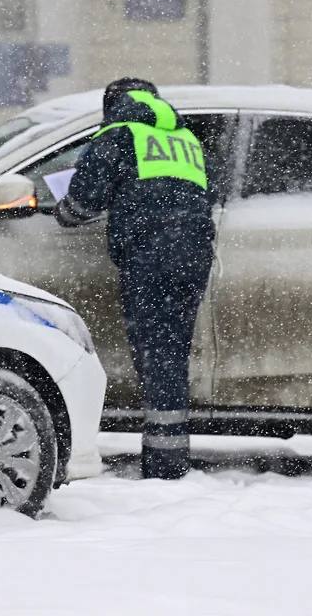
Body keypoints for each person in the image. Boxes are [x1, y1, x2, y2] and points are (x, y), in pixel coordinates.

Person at [56, 77, 215, 480]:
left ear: (113, 105)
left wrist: (62, 212)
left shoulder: (119, 136)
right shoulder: (185, 140)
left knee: (156, 353)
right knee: (171, 351)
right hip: (193, 255)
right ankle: (171, 454)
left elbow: (81, 202)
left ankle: (165, 466)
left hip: (151, 255)